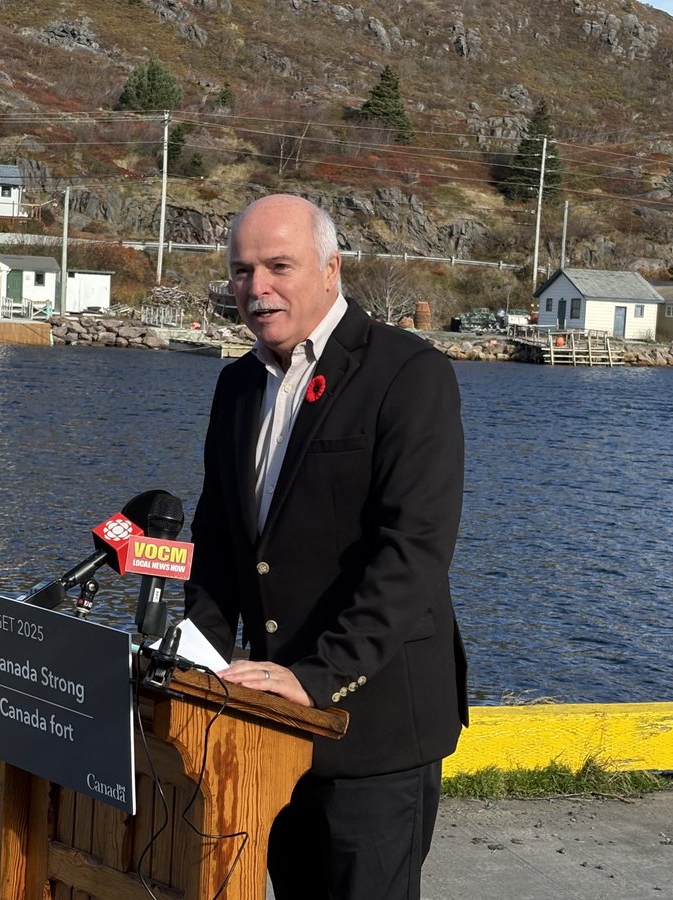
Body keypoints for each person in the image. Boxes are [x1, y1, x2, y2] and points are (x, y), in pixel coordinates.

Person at [184, 194, 467, 900]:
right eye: (242, 271)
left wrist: (315, 678)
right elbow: (218, 539)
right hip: (265, 723)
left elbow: (414, 553)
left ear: (332, 268)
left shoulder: (409, 374)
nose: (257, 288)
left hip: (374, 729)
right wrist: (202, 662)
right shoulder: (237, 384)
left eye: (279, 265)